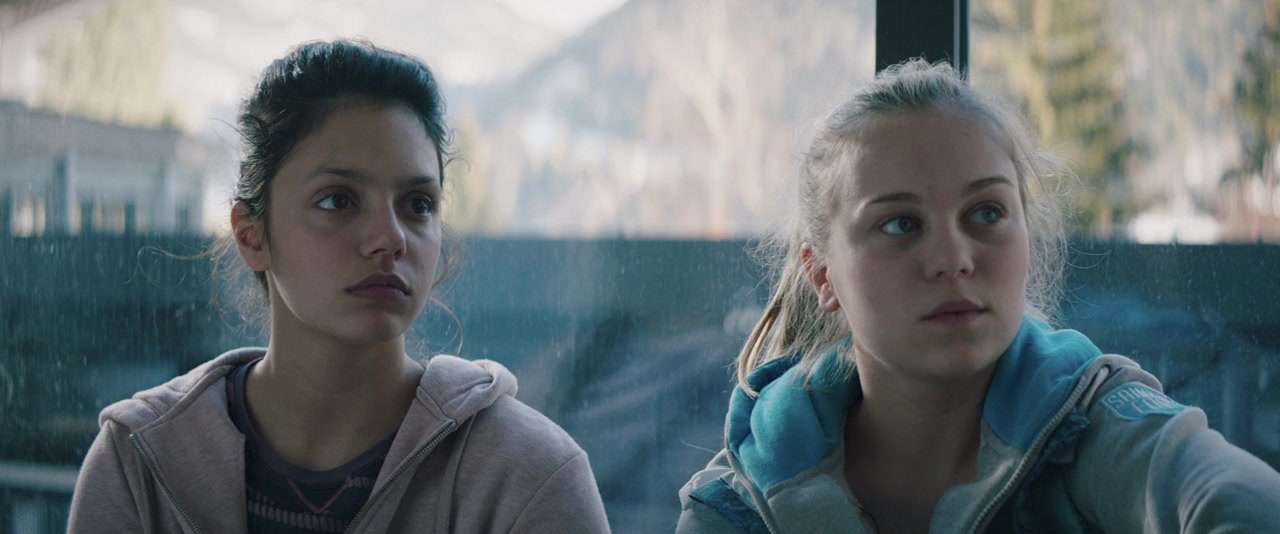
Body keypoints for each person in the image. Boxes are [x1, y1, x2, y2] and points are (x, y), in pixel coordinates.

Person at [677, 59, 1280, 533]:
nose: (954, 258)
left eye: (986, 212)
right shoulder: (735, 505)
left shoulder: (1095, 428)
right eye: (899, 224)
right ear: (822, 275)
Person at [69, 39, 609, 533]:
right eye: (338, 200)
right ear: (252, 235)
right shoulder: (139, 464)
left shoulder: (528, 478)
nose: (390, 238)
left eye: (418, 204)